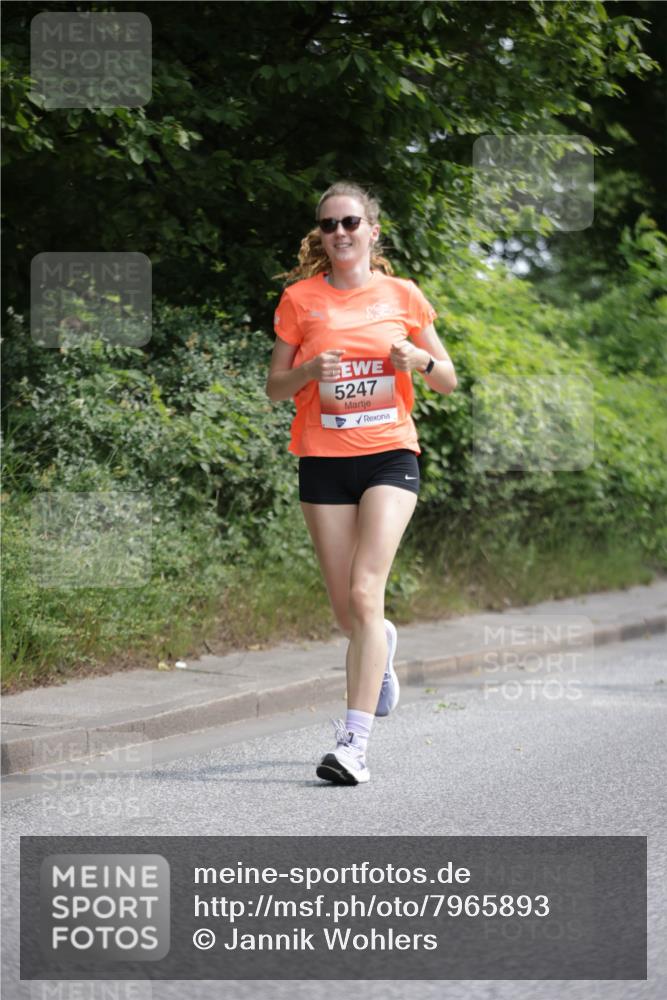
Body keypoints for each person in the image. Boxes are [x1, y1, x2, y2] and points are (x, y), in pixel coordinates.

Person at [266, 181, 457, 785]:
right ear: (320, 237)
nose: (340, 233)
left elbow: (447, 377)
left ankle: (354, 744)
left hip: (389, 457)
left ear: (373, 230)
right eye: (329, 225)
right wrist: (306, 371)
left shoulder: (402, 294)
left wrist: (418, 362)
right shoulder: (300, 300)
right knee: (348, 613)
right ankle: (381, 653)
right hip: (322, 460)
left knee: (366, 591)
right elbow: (275, 388)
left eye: (351, 222)